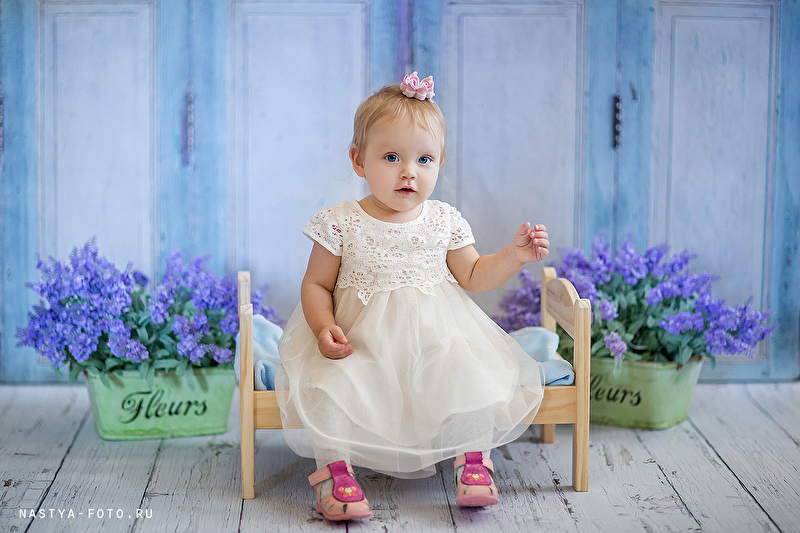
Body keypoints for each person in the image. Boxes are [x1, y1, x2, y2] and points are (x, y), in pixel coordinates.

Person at [275, 72, 550, 521]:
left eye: (424, 159)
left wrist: (513, 256)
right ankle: (335, 473)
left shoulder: (444, 220)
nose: (409, 171)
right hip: (360, 345)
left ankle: (473, 461)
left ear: (440, 163)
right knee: (331, 386)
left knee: (468, 374)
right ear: (358, 160)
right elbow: (316, 285)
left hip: (435, 345)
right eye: (391, 157)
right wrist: (324, 328)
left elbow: (474, 274)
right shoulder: (340, 222)